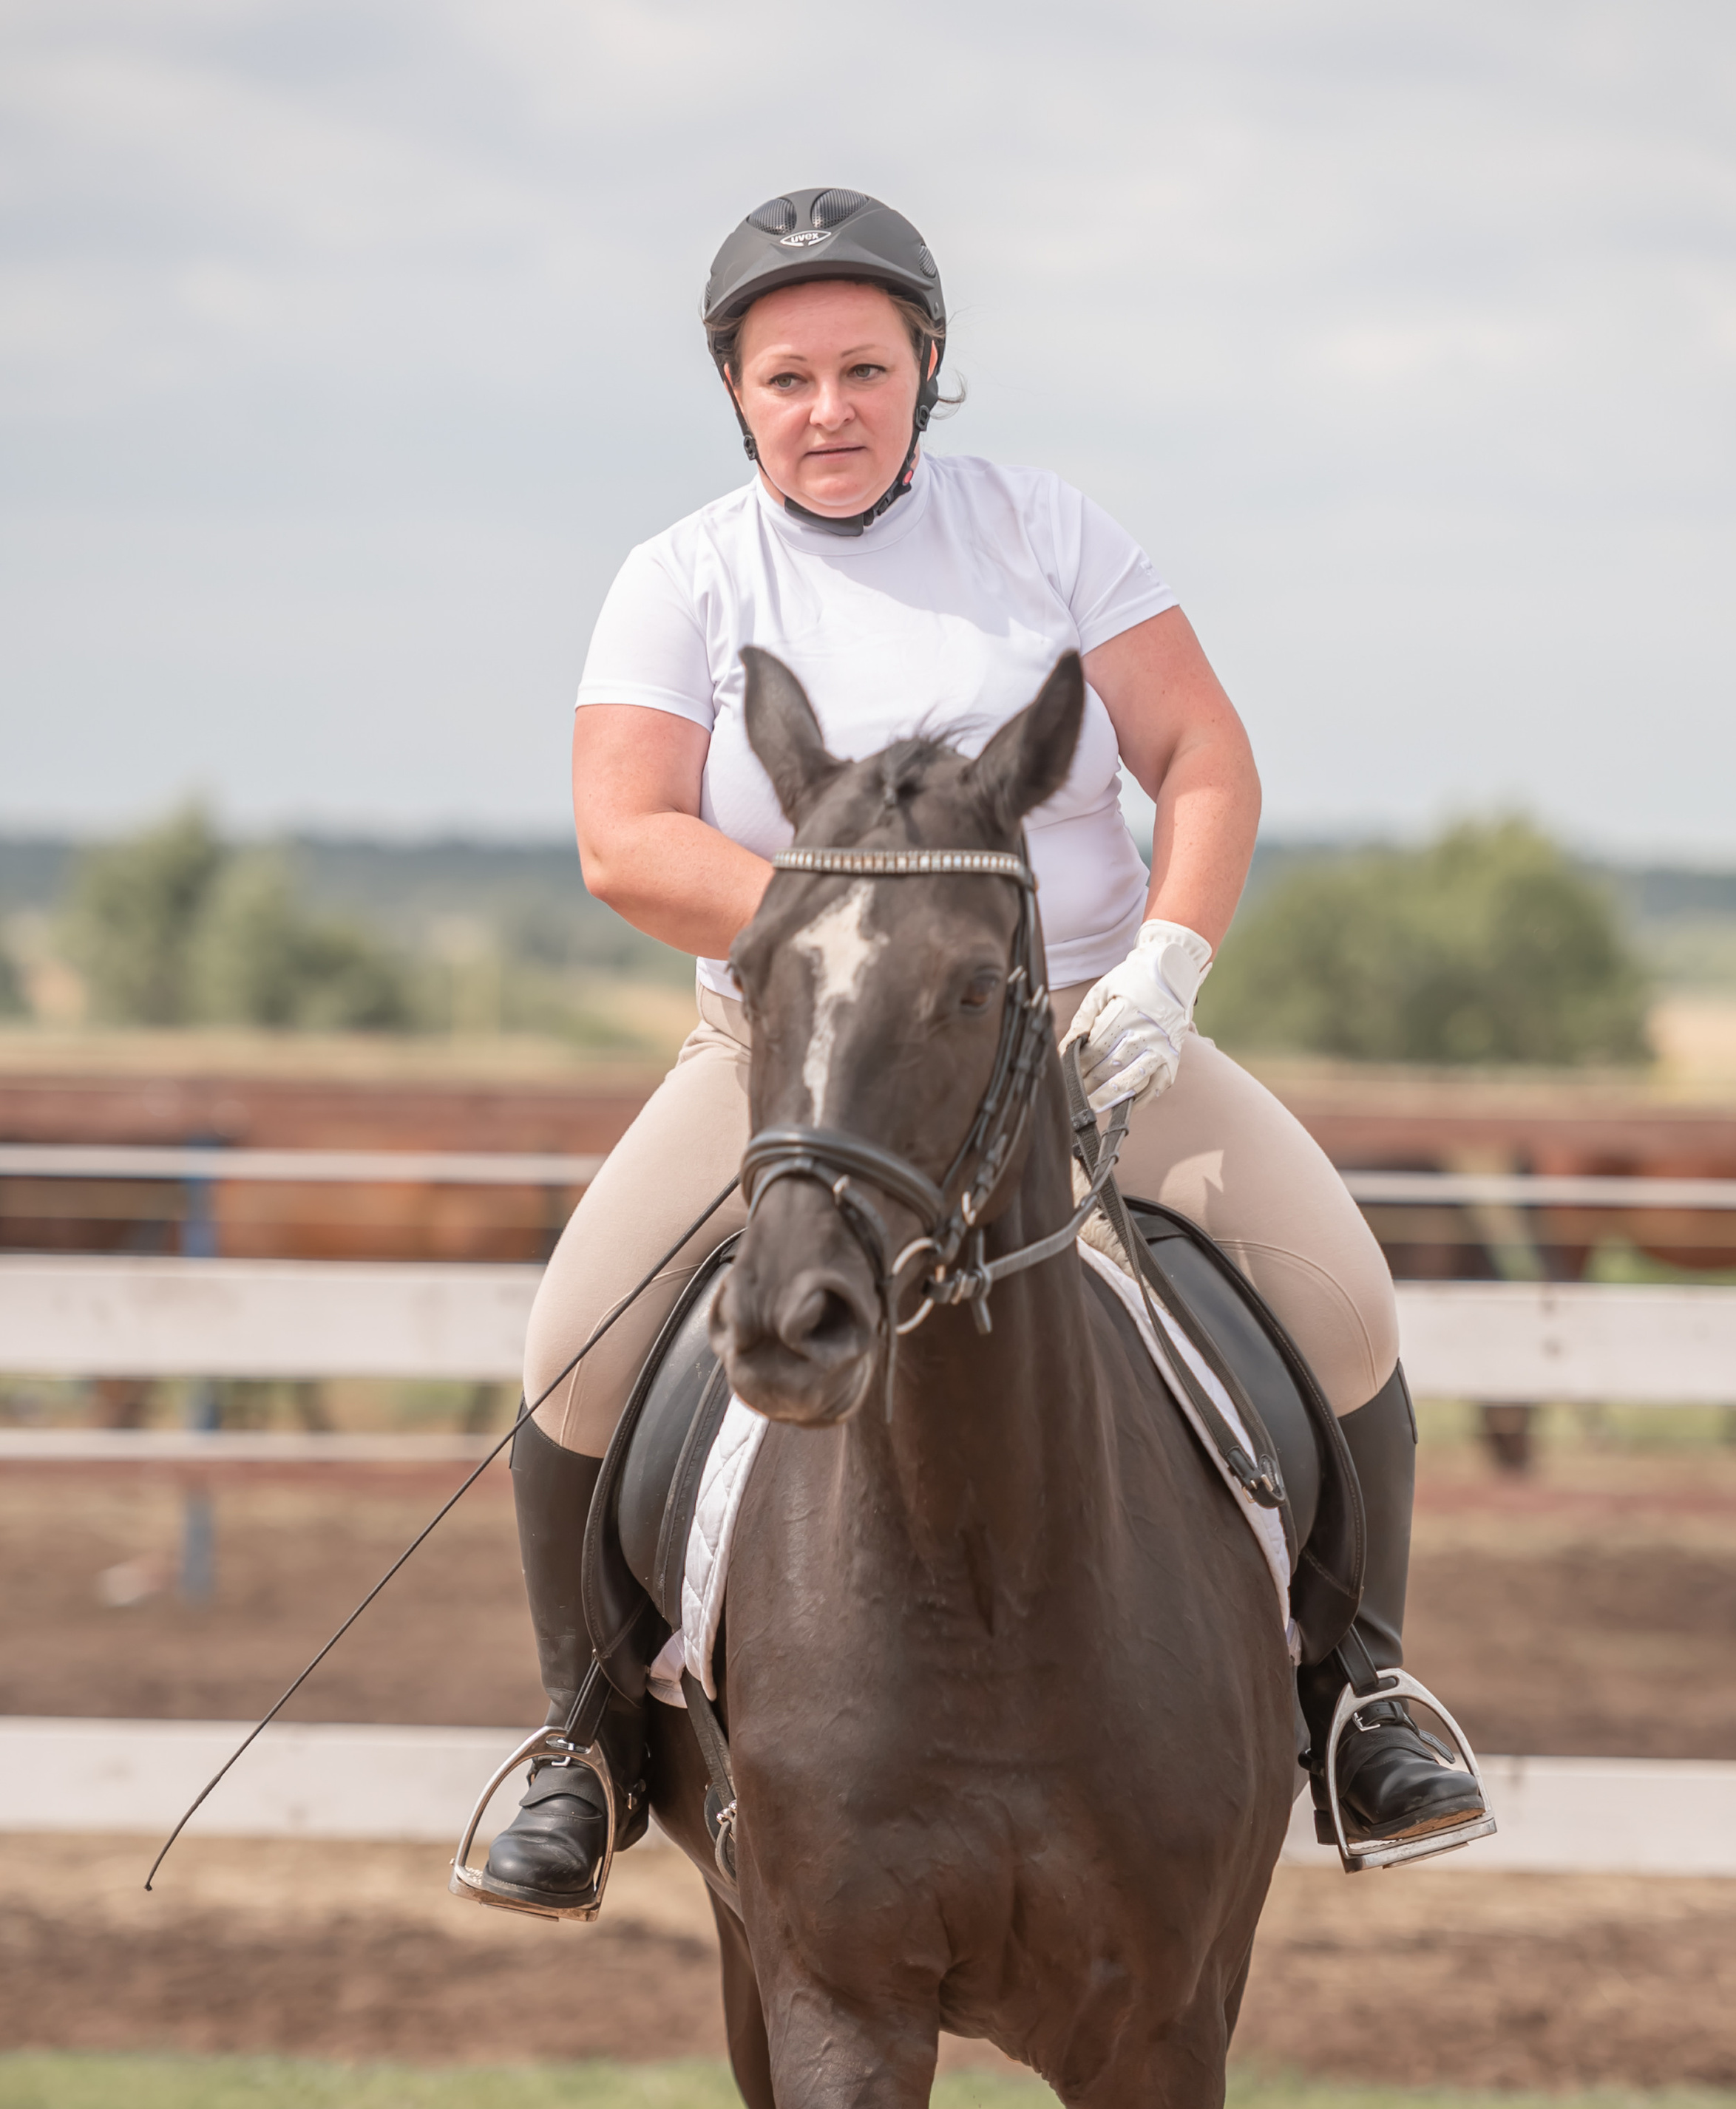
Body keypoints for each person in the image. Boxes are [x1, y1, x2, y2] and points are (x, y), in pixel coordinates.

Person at [473, 186, 1491, 1915]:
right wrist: (850, 936)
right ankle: (577, 1730)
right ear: (734, 390)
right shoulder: (681, 578)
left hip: (1083, 1024)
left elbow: (1205, 759)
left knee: (1342, 1304)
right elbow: (624, 837)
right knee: (574, 1343)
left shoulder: (1049, 535)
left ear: (925, 369)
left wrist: (1164, 960)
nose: (827, 410)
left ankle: (1361, 1695)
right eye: (786, 377)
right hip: (788, 1048)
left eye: (864, 370)